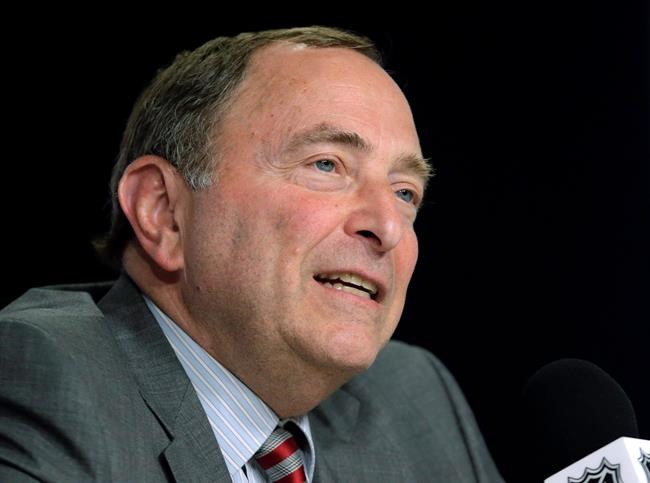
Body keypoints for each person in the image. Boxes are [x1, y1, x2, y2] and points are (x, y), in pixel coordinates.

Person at [0, 27, 503, 482]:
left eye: (405, 192)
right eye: (326, 165)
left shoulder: (414, 397)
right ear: (164, 212)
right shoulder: (41, 376)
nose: (388, 226)